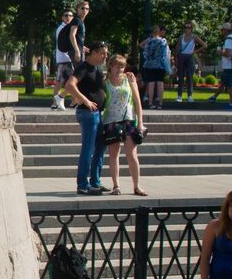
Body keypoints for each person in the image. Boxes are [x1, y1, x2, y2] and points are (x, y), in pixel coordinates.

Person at [65, 43, 109, 196]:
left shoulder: (97, 69)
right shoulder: (83, 68)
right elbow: (70, 85)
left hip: (99, 114)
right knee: (88, 149)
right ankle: (83, 184)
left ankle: (95, 181)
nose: (105, 56)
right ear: (94, 53)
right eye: (103, 53)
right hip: (88, 114)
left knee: (100, 147)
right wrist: (85, 100)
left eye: (106, 53)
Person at [100, 53, 146, 195]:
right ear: (111, 66)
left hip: (128, 119)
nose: (119, 69)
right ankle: (116, 185)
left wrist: (140, 122)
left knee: (131, 154)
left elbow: (137, 101)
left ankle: (136, 186)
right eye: (116, 66)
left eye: (122, 66)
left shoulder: (129, 79)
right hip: (111, 120)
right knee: (114, 153)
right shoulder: (105, 80)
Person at [206, 22, 232, 109]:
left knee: (230, 85)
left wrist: (220, 52)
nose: (221, 31)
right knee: (223, 83)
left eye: (222, 30)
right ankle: (214, 97)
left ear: (225, 30)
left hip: (229, 66)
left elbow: (227, 54)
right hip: (231, 65)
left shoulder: (228, 40)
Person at [138, 25, 170, 109]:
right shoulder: (163, 41)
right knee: (160, 83)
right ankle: (160, 103)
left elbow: (141, 46)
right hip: (160, 65)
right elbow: (166, 54)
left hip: (150, 65)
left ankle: (150, 103)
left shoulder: (149, 41)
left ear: (152, 32)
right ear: (159, 32)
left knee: (151, 84)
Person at [51, 9, 75, 110]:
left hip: (65, 58)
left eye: (70, 15)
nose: (68, 17)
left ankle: (56, 102)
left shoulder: (66, 27)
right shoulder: (63, 28)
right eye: (66, 15)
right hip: (65, 58)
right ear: (62, 17)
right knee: (71, 80)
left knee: (62, 81)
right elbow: (71, 42)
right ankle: (62, 100)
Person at [174, 21, 204, 102]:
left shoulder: (194, 37)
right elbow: (176, 49)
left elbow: (204, 45)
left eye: (189, 28)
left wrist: (195, 51)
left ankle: (190, 96)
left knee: (189, 77)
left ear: (191, 29)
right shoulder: (181, 37)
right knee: (180, 77)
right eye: (186, 27)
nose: (187, 29)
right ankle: (179, 96)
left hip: (190, 57)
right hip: (182, 57)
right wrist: (176, 59)